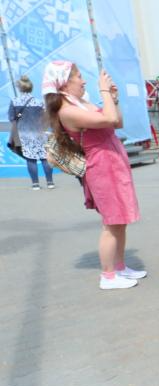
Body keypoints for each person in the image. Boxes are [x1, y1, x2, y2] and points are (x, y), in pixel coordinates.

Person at [43, 60, 145, 290]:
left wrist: (113, 99)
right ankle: (108, 276)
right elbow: (108, 119)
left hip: (113, 163)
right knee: (111, 223)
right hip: (102, 167)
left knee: (120, 220)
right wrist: (104, 91)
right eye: (78, 76)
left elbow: (117, 122)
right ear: (64, 83)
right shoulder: (67, 111)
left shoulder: (80, 103)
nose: (83, 81)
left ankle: (119, 267)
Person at [7, 75, 55, 190]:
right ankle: (50, 183)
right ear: (31, 88)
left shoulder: (15, 101)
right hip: (39, 133)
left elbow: (12, 118)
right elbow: (44, 118)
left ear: (20, 88)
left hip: (24, 134)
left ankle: (35, 184)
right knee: (44, 158)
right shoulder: (39, 102)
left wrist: (20, 118)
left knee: (30, 159)